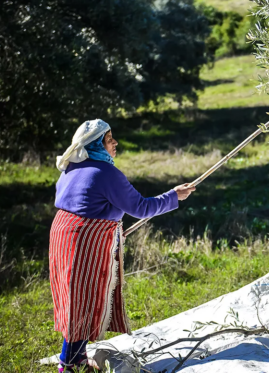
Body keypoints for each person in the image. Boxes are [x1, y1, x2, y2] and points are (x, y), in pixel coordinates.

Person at [50, 119, 195, 372]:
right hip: (85, 239)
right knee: (85, 298)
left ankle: (76, 357)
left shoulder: (71, 167)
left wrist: (111, 229)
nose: (115, 143)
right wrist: (174, 196)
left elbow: (93, 204)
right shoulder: (106, 173)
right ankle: (69, 363)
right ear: (96, 145)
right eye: (109, 139)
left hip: (64, 234)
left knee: (75, 298)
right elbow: (141, 207)